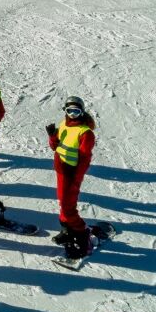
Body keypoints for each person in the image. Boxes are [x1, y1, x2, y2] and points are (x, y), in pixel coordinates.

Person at [48, 96, 98, 257]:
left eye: (76, 111)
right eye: (70, 111)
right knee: (63, 203)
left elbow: (84, 160)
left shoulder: (86, 133)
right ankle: (67, 231)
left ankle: (84, 235)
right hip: (61, 170)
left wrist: (76, 179)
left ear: (82, 112)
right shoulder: (64, 124)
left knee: (68, 208)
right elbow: (55, 147)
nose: (72, 115)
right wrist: (52, 136)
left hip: (71, 174)